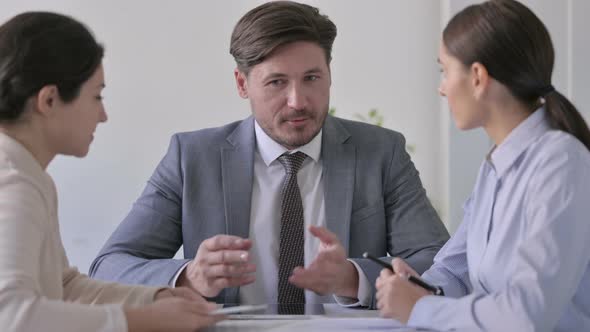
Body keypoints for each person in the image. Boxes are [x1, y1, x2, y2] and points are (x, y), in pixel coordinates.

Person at [89, 0, 449, 308]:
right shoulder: (192, 158)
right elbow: (109, 266)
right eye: (277, 82)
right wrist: (190, 278)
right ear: (242, 84)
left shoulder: (381, 153)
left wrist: (353, 277)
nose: (298, 101)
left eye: (312, 78)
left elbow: (438, 263)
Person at [0, 11, 223, 332]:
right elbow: (10, 315)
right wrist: (144, 320)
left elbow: (63, 285)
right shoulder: (13, 182)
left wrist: (156, 298)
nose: (103, 115)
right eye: (96, 96)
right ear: (49, 100)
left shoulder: (31, 176)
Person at [375, 0, 590, 330]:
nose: (442, 88)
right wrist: (416, 287)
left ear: (477, 77)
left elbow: (527, 314)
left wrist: (420, 308)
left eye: (444, 71)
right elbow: (453, 272)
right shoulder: (494, 168)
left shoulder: (561, 163)